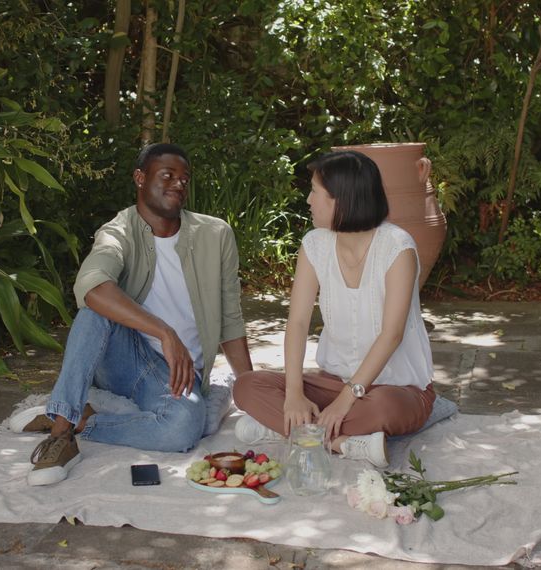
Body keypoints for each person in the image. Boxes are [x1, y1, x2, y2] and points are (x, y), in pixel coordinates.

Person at [22, 143, 253, 486]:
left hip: (177, 374)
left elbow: (230, 318)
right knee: (93, 311)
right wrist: (164, 332)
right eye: (168, 175)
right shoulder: (118, 231)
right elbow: (91, 285)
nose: (178, 184)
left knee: (184, 426)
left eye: (184, 178)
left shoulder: (216, 234)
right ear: (140, 178)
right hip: (125, 360)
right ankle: (61, 434)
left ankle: (79, 417)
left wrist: (252, 389)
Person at [232, 150, 436, 468]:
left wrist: (344, 402)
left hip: (396, 389)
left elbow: (391, 334)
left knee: (382, 408)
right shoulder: (315, 244)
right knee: (246, 386)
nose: (308, 200)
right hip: (334, 382)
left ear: (342, 200)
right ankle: (342, 443)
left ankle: (288, 430)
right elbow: (298, 322)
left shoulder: (397, 248)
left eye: (315, 192)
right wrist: (294, 394)